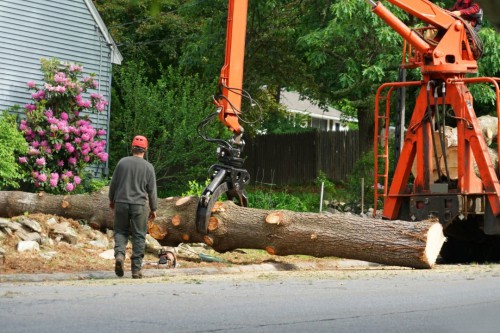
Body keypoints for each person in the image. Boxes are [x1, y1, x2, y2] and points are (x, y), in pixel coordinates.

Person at [109, 135, 158, 279]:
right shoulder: (148, 167)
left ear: (132, 148)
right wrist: (154, 208)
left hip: (121, 203)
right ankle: (136, 270)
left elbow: (113, 184)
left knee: (120, 231)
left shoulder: (122, 163)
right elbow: (152, 191)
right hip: (139, 206)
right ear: (145, 149)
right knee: (139, 235)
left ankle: (119, 255)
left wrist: (112, 200)